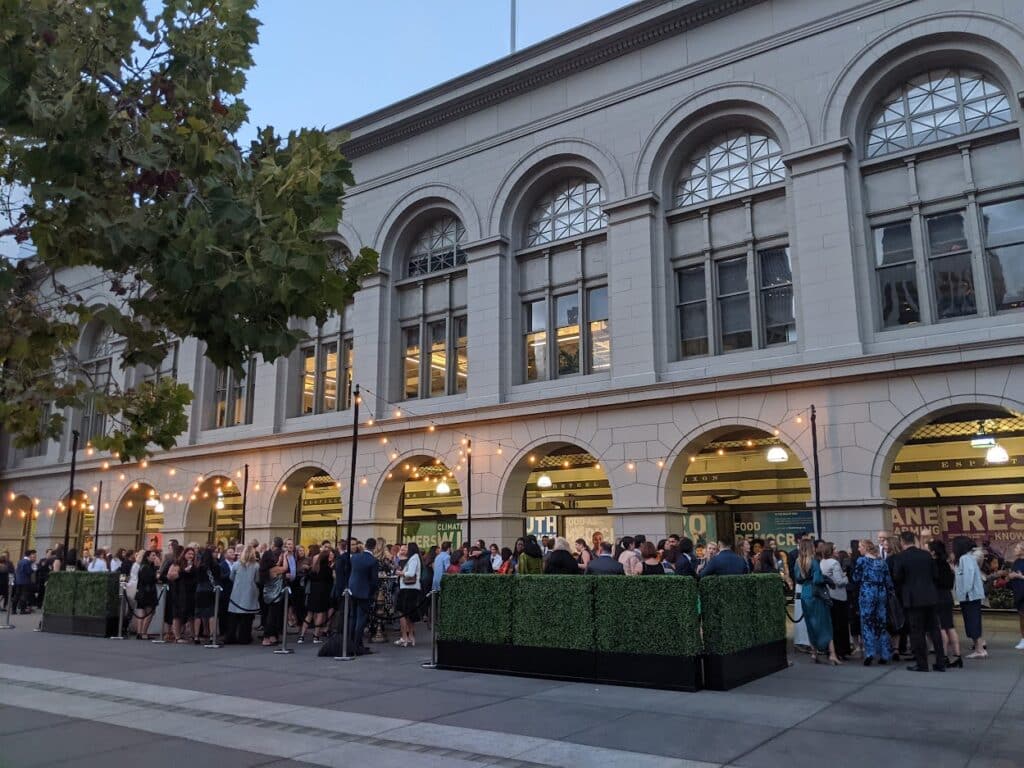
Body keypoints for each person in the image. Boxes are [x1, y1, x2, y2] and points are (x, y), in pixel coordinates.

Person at [891, 531, 945, 672]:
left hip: (912, 599)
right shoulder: (926, 555)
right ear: (914, 540)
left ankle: (922, 663)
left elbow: (897, 577)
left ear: (902, 542)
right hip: (930, 596)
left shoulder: (901, 557)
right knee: (935, 630)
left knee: (917, 632)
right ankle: (940, 661)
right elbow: (936, 575)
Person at [795, 540, 839, 665]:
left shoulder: (798, 562)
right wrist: (826, 580)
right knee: (825, 623)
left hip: (805, 593)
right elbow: (818, 579)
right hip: (816, 594)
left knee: (811, 624)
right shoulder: (814, 562)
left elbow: (798, 579)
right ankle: (832, 654)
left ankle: (814, 653)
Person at [852, 539, 893, 666]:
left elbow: (855, 578)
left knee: (867, 622)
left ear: (865, 547)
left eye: (860, 547)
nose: (859, 549)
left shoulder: (862, 561)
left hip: (867, 592)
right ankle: (885, 654)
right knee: (881, 623)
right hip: (881, 592)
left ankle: (870, 653)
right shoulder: (881, 562)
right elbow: (888, 580)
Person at [952, 536, 987, 659]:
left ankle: (979, 649)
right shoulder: (967, 558)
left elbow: (968, 576)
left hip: (969, 596)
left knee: (972, 622)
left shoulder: (965, 558)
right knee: (973, 621)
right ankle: (979, 648)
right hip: (970, 596)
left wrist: (965, 592)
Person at [928, 540, 961, 667]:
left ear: (933, 551)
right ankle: (957, 656)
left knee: (941, 628)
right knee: (950, 627)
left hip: (937, 597)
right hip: (948, 597)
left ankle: (944, 656)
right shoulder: (947, 565)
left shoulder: (933, 564)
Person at [348, 537, 379, 655]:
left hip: (353, 589)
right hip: (364, 592)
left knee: (353, 617)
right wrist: (372, 593)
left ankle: (352, 642)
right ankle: (356, 644)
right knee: (361, 619)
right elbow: (374, 581)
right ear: (374, 547)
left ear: (365, 545)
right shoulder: (373, 561)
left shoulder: (355, 557)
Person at [820, 542, 851, 660]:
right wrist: (846, 577)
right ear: (831, 551)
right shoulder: (834, 563)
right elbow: (839, 581)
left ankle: (832, 650)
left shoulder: (822, 562)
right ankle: (841, 650)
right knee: (841, 625)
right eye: (835, 549)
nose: (837, 551)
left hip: (828, 596)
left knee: (832, 624)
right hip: (838, 596)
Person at [226, 544, 260, 644]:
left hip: (237, 592)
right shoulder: (256, 566)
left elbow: (231, 577)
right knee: (247, 618)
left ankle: (230, 637)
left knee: (233, 617)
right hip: (249, 592)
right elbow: (257, 579)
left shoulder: (236, 564)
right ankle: (244, 638)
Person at [300, 545, 332, 645]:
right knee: (320, 614)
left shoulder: (314, 568)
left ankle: (302, 636)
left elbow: (309, 577)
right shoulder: (327, 569)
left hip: (312, 592)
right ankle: (316, 636)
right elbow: (330, 581)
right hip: (322, 593)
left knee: (309, 614)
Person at [259, 537, 288, 647]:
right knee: (272, 617)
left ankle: (271, 636)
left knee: (270, 615)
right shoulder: (274, 570)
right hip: (275, 595)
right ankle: (266, 637)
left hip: (268, 593)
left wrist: (280, 559)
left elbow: (277, 564)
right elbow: (284, 568)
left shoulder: (267, 570)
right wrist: (285, 556)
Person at [396, 542, 421, 647]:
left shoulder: (413, 558)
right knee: (409, 613)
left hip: (408, 588)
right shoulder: (414, 558)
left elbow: (410, 573)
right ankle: (410, 636)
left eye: (407, 548)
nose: (405, 550)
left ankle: (406, 637)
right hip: (411, 588)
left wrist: (401, 573)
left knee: (403, 613)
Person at [134, 550, 160, 639]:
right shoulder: (147, 567)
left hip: (141, 592)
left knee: (142, 612)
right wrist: (157, 574)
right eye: (153, 555)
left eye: (155, 555)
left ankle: (140, 632)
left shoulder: (143, 566)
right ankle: (143, 632)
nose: (155, 557)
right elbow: (150, 579)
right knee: (149, 612)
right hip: (148, 593)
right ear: (147, 557)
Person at [1005, 542, 1024, 651]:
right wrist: (1010, 577)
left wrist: (1019, 576)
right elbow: (1012, 574)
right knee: (1021, 617)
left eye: (1017, 548)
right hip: (1018, 592)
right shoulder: (1016, 562)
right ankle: (1023, 639)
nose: (1014, 549)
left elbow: (1019, 575)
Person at [14, 550, 36, 614]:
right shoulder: (27, 562)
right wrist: (33, 569)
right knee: (24, 595)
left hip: (18, 580)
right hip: (25, 581)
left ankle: (13, 609)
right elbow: (28, 572)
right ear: (29, 555)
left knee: (17, 595)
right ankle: (22, 610)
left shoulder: (20, 561)